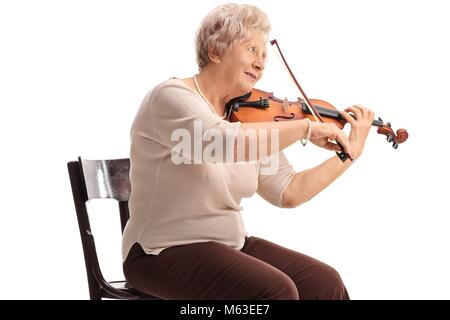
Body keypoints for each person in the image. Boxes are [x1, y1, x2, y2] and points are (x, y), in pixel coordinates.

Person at [122, 3, 374, 300]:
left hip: (228, 245)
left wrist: (348, 155)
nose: (260, 62)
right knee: (275, 292)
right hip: (159, 252)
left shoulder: (248, 117)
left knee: (324, 283)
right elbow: (218, 143)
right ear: (215, 51)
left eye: (264, 54)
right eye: (251, 49)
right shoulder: (171, 98)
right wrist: (304, 128)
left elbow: (287, 190)